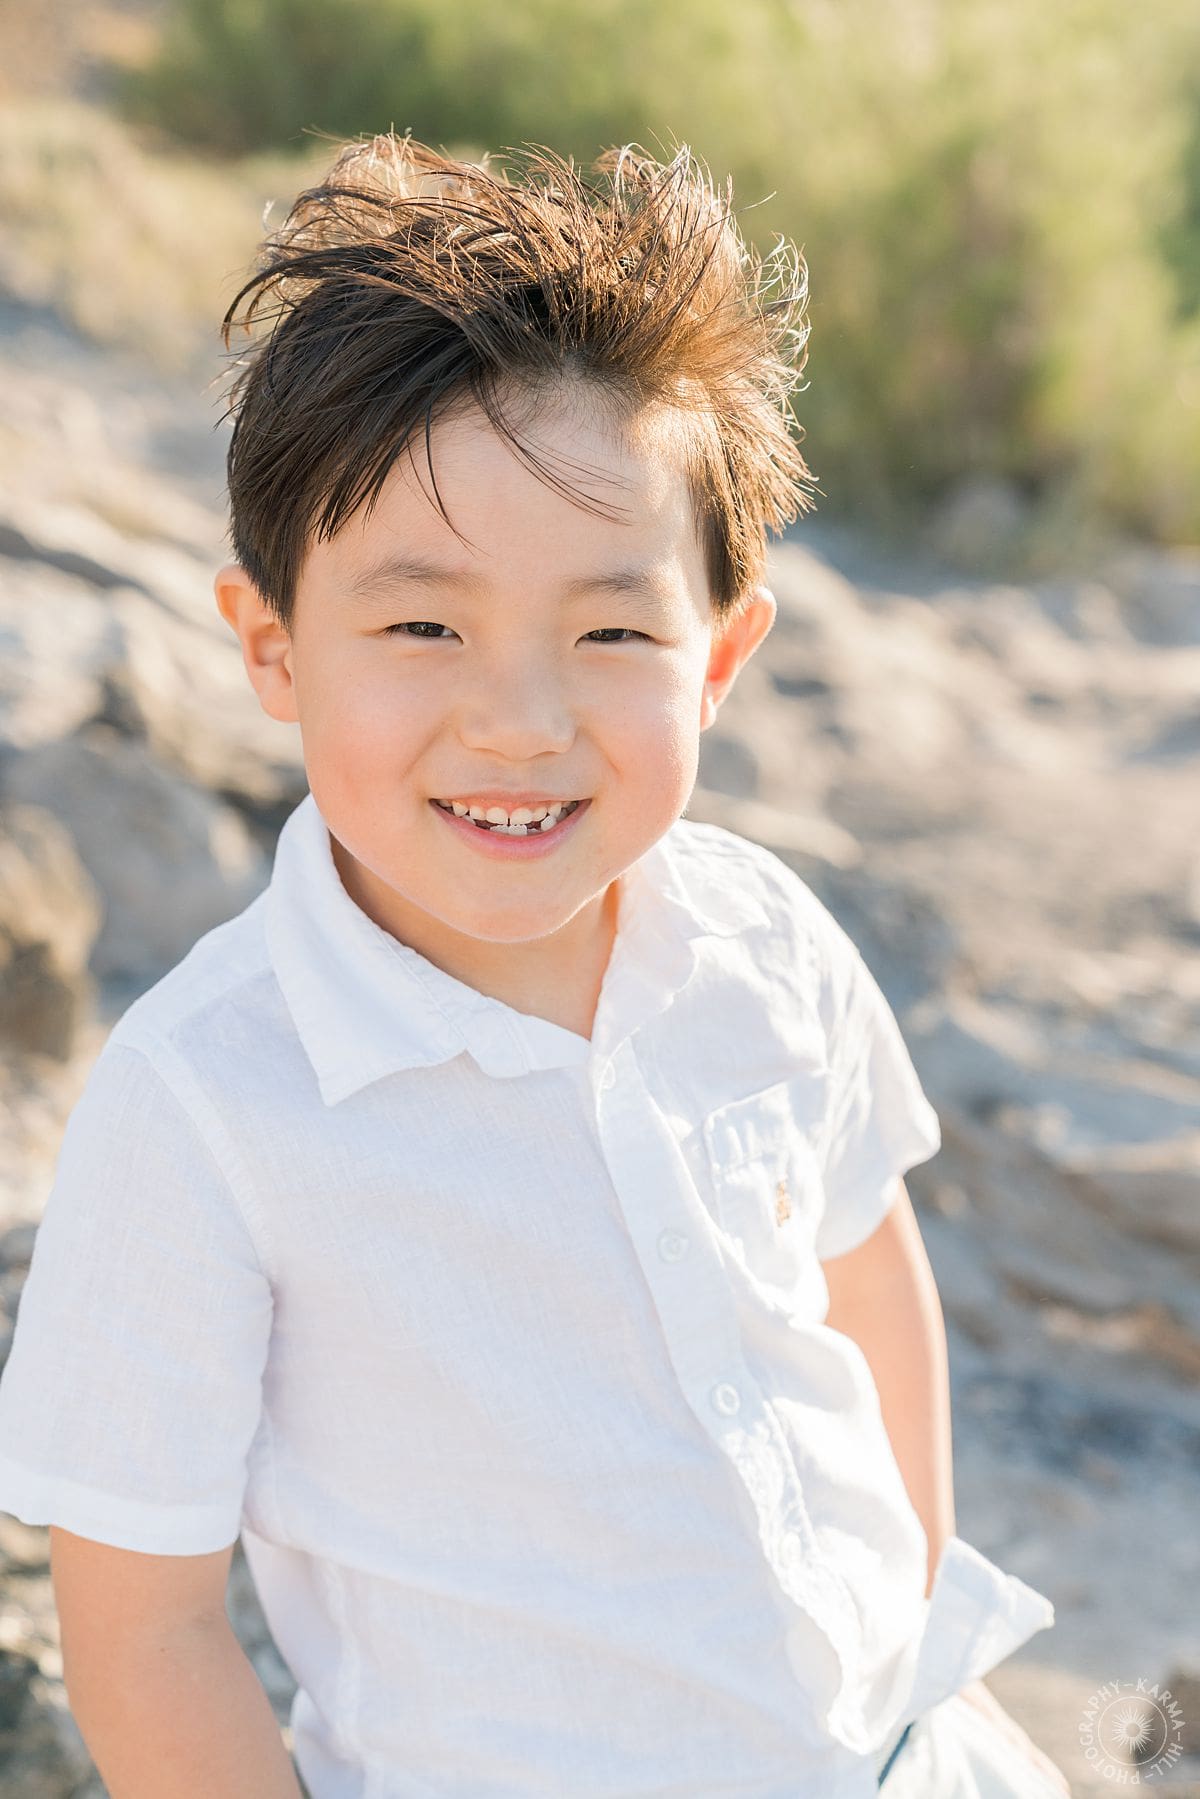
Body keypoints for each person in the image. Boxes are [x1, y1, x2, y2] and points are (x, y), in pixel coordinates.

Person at [0, 134, 1070, 1797]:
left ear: (718, 656)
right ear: (273, 648)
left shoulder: (763, 945)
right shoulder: (207, 1100)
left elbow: (869, 1274)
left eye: (612, 630)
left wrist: (915, 1626)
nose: (521, 718)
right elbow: (145, 1622)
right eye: (422, 625)